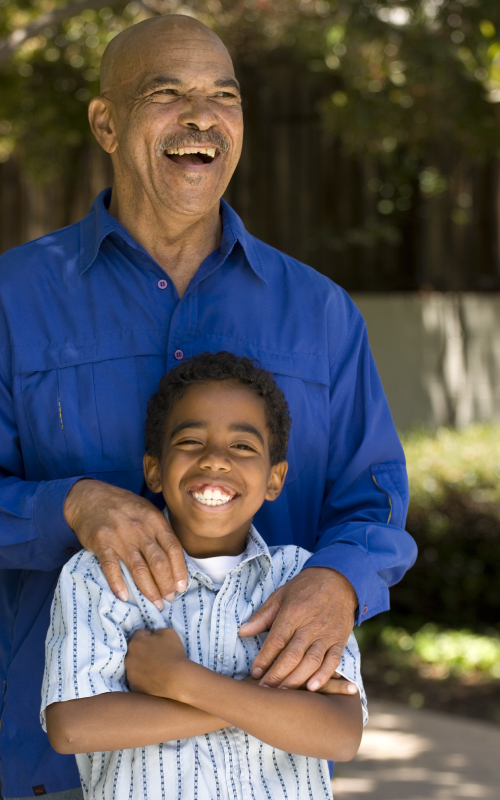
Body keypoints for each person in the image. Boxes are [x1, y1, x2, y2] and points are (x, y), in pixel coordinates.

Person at [0, 14, 416, 799]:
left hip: (269, 774)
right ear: (107, 122)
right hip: (46, 767)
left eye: (224, 96)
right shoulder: (13, 302)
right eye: (168, 93)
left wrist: (342, 583)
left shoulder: (321, 314)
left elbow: (374, 499)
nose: (202, 116)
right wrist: (70, 506)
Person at [42, 352, 367, 799]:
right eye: (191, 441)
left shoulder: (302, 578)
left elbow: (339, 735)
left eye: (243, 446)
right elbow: (72, 728)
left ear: (275, 479)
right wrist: (268, 704)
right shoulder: (100, 573)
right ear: (153, 469)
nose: (215, 459)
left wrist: (180, 681)